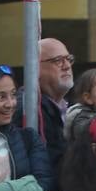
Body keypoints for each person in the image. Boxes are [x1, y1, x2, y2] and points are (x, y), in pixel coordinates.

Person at [35, 38, 75, 167]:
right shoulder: (29, 109)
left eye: (68, 59)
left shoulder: (71, 107)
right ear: (35, 67)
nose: (67, 66)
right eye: (58, 61)